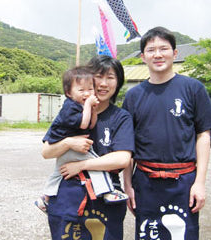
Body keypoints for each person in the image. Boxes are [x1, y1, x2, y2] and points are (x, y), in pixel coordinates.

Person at [123, 26, 211, 240]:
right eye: (151, 50)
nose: (157, 55)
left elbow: (203, 136)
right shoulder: (133, 96)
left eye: (163, 48)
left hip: (184, 181)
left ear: (175, 53)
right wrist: (128, 185)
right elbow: (127, 147)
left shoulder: (193, 88)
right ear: (142, 57)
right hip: (145, 182)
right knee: (148, 234)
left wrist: (200, 182)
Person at [41, 55, 135, 240]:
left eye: (110, 77)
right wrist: (69, 142)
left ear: (118, 83)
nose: (103, 83)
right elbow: (46, 152)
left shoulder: (121, 117)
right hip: (67, 193)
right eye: (98, 77)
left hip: (106, 196)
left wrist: (81, 166)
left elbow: (122, 159)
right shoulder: (68, 112)